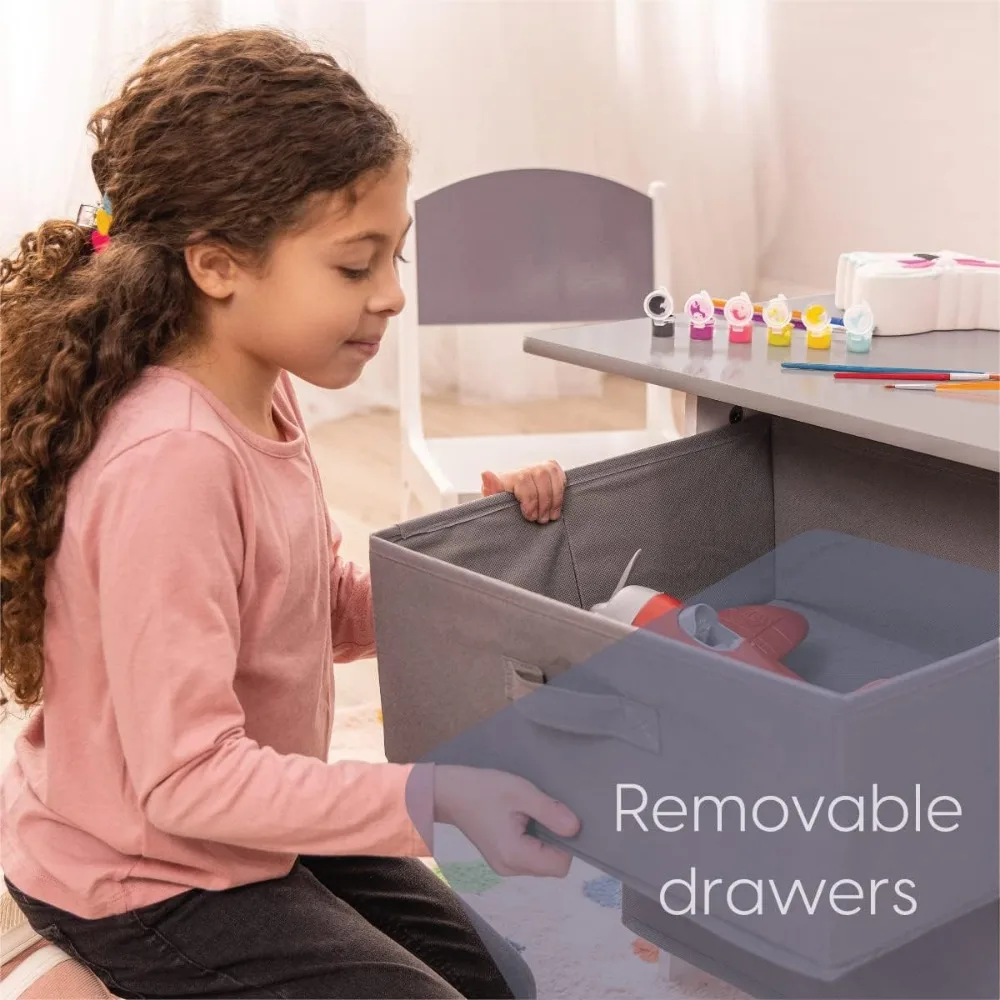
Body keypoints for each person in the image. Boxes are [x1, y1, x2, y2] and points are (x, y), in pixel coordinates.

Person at [0, 27, 580, 999]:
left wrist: (461, 564)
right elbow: (183, 781)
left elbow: (303, 604)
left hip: (240, 823)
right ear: (218, 264)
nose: (392, 296)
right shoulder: (171, 462)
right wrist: (430, 799)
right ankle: (52, 978)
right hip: (140, 874)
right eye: (355, 267)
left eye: (396, 257)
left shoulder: (263, 390)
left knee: (502, 982)